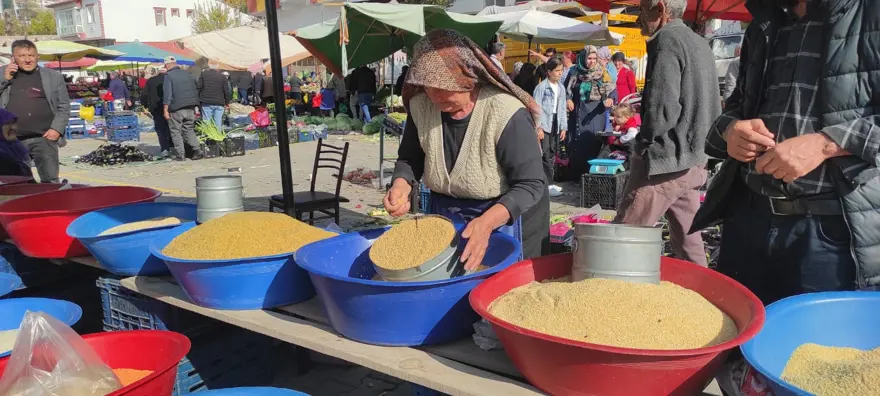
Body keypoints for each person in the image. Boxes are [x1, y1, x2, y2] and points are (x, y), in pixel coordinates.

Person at [694, 1, 880, 393]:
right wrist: (731, 133)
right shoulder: (766, 20)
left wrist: (829, 144)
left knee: (817, 369)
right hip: (749, 218)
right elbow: (736, 106)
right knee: (738, 362)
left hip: (831, 232)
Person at [385, 29, 549, 266]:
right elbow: (410, 158)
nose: (434, 97)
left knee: (492, 286)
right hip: (444, 211)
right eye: (427, 87)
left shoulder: (505, 112)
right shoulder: (422, 106)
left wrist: (487, 223)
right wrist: (400, 185)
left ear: (468, 79)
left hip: (499, 214)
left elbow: (530, 184)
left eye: (443, 89)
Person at [613, 0, 720, 267]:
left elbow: (662, 110)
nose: (637, 19)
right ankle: (704, 297)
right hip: (694, 159)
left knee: (620, 242)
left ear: (660, 9)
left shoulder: (667, 40)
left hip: (665, 162)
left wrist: (643, 144)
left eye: (641, 11)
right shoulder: (700, 43)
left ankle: (608, 302)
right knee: (690, 244)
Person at [0, 39, 70, 183]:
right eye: (22, 56)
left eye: (31, 55)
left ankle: (51, 205)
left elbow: (64, 105)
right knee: (16, 183)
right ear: (13, 58)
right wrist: (4, 79)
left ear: (37, 56)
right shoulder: (3, 73)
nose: (27, 60)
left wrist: (56, 129)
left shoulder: (53, 76)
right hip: (12, 140)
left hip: (44, 138)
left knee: (50, 181)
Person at [564, 45, 614, 178]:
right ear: (582, 58)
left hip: (596, 113)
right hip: (578, 112)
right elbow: (566, 89)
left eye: (594, 58)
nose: (592, 61)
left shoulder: (602, 72)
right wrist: (568, 99)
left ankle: (591, 175)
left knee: (592, 142)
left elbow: (612, 90)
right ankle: (576, 175)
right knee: (576, 143)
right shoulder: (574, 71)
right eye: (589, 58)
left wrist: (610, 99)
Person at [533, 58, 568, 189]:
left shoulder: (561, 88)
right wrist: (539, 127)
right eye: (557, 71)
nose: (560, 73)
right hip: (544, 122)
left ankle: (550, 181)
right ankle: (548, 183)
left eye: (561, 70)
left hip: (556, 122)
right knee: (545, 153)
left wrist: (563, 127)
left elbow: (562, 108)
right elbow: (536, 109)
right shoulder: (541, 87)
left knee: (553, 151)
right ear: (549, 72)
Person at [162, 56, 203, 161]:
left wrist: (165, 110)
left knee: (175, 131)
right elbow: (195, 90)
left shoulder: (168, 76)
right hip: (190, 107)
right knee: (189, 129)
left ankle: (181, 155)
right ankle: (197, 149)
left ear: (167, 65)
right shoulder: (188, 74)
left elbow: (167, 95)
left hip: (176, 108)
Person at [141, 68, 172, 157]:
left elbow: (144, 94)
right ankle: (172, 145)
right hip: (170, 107)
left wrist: (145, 105)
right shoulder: (170, 78)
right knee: (171, 127)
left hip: (156, 108)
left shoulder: (151, 81)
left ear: (158, 72)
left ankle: (164, 149)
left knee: (160, 129)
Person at [197, 61, 230, 131]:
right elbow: (226, 91)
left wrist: (198, 100)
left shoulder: (203, 74)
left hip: (206, 102)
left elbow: (199, 87)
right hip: (219, 102)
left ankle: (207, 139)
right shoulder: (222, 76)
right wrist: (227, 102)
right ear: (218, 67)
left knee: (206, 123)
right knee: (218, 123)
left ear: (209, 65)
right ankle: (217, 139)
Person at [0, 109, 33, 178]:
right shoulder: (2, 155)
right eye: (6, 123)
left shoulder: (16, 147)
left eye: (13, 123)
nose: (13, 128)